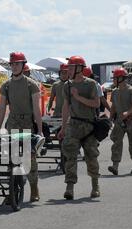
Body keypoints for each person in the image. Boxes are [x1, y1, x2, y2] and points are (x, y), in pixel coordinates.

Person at [0, 52, 44, 202]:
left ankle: (34, 188)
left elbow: (36, 109)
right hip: (12, 123)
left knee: (29, 158)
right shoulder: (6, 85)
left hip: (27, 124)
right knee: (12, 158)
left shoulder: (32, 85)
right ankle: (13, 191)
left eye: (17, 64)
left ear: (23, 65)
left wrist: (40, 130)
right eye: (12, 64)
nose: (14, 66)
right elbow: (2, 108)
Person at [57, 56, 101, 200]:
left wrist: (78, 97)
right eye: (68, 67)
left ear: (79, 68)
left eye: (70, 67)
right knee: (70, 156)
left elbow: (96, 104)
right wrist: (63, 128)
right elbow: (65, 107)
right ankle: (70, 187)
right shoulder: (67, 85)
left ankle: (95, 186)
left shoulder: (91, 84)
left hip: (88, 126)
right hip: (73, 125)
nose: (68, 70)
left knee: (91, 157)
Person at [108, 68, 132, 175]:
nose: (113, 80)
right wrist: (110, 118)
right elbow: (113, 106)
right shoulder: (115, 91)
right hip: (119, 121)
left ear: (121, 78)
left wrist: (127, 113)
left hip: (131, 121)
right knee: (116, 143)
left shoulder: (131, 90)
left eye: (115, 78)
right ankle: (115, 166)